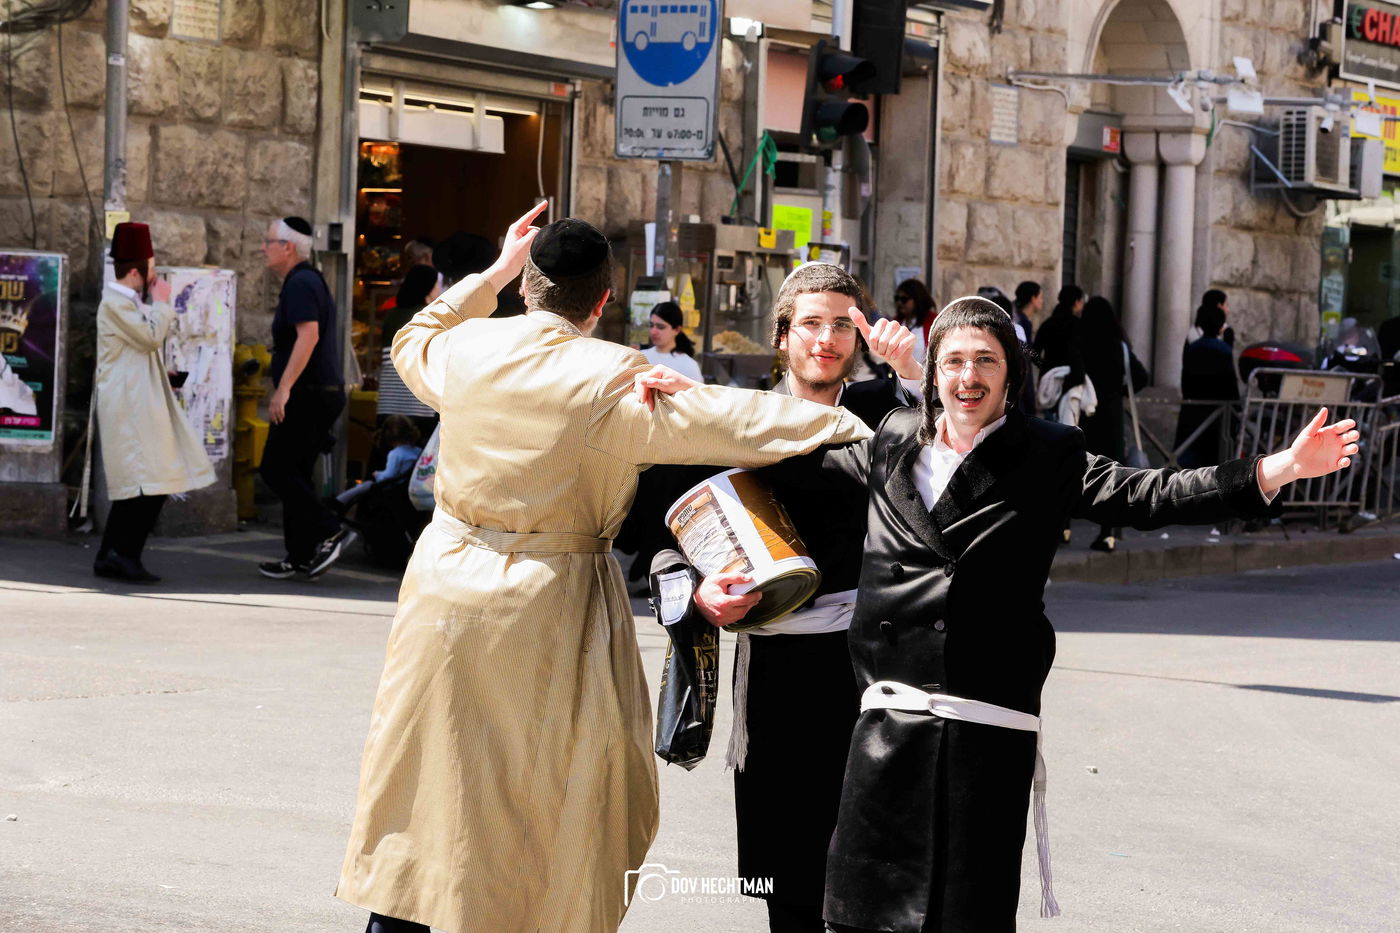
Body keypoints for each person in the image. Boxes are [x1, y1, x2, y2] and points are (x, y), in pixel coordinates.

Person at [712, 295, 1357, 933]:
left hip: (982, 740)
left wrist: (1280, 468)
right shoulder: (893, 441)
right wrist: (686, 407)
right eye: (953, 361)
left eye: (986, 361)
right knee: (861, 917)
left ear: (1011, 375)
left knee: (965, 918)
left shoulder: (1048, 453)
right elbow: (794, 464)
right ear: (933, 375)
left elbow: (1151, 494)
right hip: (884, 737)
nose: (968, 377)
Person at [335, 204, 873, 933]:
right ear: (603, 300)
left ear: (527, 287)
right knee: (554, 798)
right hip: (548, 604)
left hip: (443, 592)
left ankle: (396, 922)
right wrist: (844, 423)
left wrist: (493, 272)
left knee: (424, 778)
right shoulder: (614, 376)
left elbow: (413, 336)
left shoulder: (467, 350)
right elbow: (733, 422)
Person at [636, 263, 920, 933]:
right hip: (774, 675)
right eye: (811, 323)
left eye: (843, 325)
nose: (827, 338)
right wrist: (700, 592)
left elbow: (955, 446)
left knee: (871, 878)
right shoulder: (731, 421)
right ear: (782, 335)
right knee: (788, 884)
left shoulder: (885, 411)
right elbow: (662, 541)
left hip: (869, 668)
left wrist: (913, 369)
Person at [91, 222, 215, 583]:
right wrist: (162, 303)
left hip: (138, 404)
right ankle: (121, 555)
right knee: (146, 484)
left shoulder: (126, 303)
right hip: (129, 408)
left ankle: (114, 555)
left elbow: (136, 350)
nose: (155, 275)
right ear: (135, 272)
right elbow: (149, 337)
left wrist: (163, 373)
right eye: (151, 267)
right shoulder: (114, 303)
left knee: (146, 484)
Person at [257, 216, 354, 580]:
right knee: (294, 471)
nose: (263, 248)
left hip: (308, 394)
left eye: (268, 241)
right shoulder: (305, 280)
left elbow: (308, 336)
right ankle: (299, 554)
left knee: (276, 468)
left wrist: (283, 389)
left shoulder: (301, 282)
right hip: (315, 393)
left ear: (288, 247)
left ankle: (329, 529)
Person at [1079, 296, 1128, 551]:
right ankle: (1107, 534)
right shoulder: (1118, 344)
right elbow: (1140, 375)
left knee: (1075, 469)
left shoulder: (1081, 340)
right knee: (1109, 474)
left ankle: (1064, 529)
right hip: (1111, 415)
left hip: (1085, 414)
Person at [375, 265, 442, 442]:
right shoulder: (430, 317)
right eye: (437, 284)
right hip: (420, 406)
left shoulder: (391, 316)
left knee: (387, 455)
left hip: (388, 404)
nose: (439, 289)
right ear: (428, 288)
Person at [1175, 304, 1240, 468]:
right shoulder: (1224, 350)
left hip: (1193, 413)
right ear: (1220, 327)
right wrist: (1237, 408)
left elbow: (1185, 380)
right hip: (1217, 417)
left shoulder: (1193, 348)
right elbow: (1230, 383)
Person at [332, 415, 422, 510]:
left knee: (366, 485)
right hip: (410, 486)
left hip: (394, 488)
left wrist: (378, 474)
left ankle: (339, 501)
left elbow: (388, 476)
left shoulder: (395, 454)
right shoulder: (418, 451)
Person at [1032, 285, 1087, 424]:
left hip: (1048, 385)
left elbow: (1033, 352)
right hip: (1071, 382)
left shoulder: (1047, 324)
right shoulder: (1079, 325)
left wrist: (1047, 367)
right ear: (1076, 302)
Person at [641, 300, 703, 382]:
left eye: (661, 327)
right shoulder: (641, 357)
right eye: (651, 325)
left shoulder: (688, 365)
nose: (653, 331)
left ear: (677, 330)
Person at [894, 278, 937, 367]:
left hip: (925, 373)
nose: (899, 303)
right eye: (897, 298)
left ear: (917, 299)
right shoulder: (897, 322)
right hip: (900, 374)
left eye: (904, 299)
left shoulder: (933, 321)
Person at [1013, 280, 1042, 345]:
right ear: (1033, 298)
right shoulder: (1022, 322)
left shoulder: (1018, 317)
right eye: (1040, 297)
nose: (1041, 301)